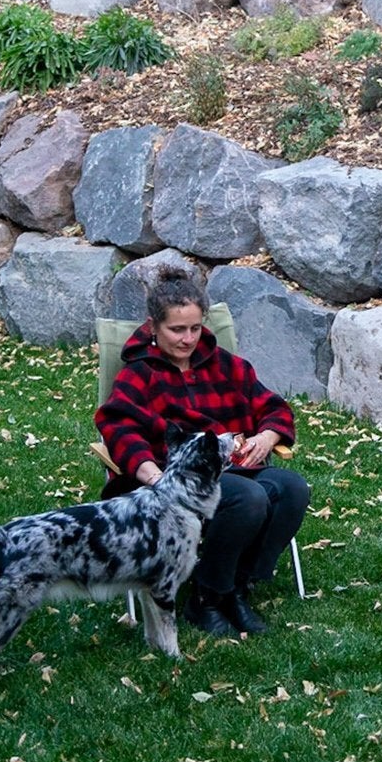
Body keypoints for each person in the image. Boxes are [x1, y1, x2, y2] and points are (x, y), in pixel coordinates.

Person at [95, 266, 311, 638]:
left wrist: (267, 438)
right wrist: (153, 476)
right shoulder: (138, 374)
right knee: (249, 498)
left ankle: (234, 588)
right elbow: (118, 428)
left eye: (195, 328)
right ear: (153, 327)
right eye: (177, 330)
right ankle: (207, 599)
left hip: (233, 467)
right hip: (174, 479)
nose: (187, 339)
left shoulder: (227, 367)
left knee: (292, 488)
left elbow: (274, 408)